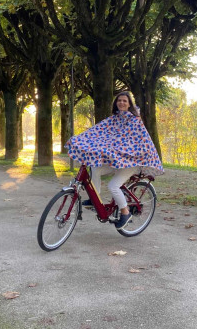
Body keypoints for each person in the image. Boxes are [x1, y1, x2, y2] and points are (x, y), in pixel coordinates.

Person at [65, 91, 163, 230]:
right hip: (117, 161)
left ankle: (125, 212)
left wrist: (116, 151)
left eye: (124, 101)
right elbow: (96, 132)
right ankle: (95, 200)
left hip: (131, 162)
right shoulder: (113, 120)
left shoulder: (135, 121)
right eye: (119, 101)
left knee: (113, 186)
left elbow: (134, 142)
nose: (121, 103)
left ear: (129, 104)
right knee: (95, 167)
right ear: (116, 103)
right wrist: (79, 139)